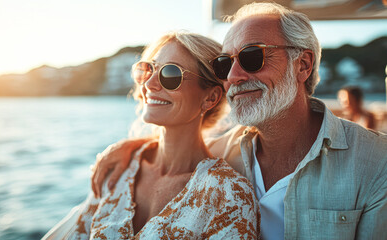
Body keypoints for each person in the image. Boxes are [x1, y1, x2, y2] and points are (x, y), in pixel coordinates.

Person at [91, 2, 387, 239]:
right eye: (224, 64)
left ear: (303, 65)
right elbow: (182, 144)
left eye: (251, 57)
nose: (233, 77)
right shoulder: (222, 154)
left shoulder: (375, 162)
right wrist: (132, 147)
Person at [43, 31, 260, 239]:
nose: (149, 84)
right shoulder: (119, 169)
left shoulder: (228, 195)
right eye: (148, 69)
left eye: (171, 73)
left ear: (210, 98)